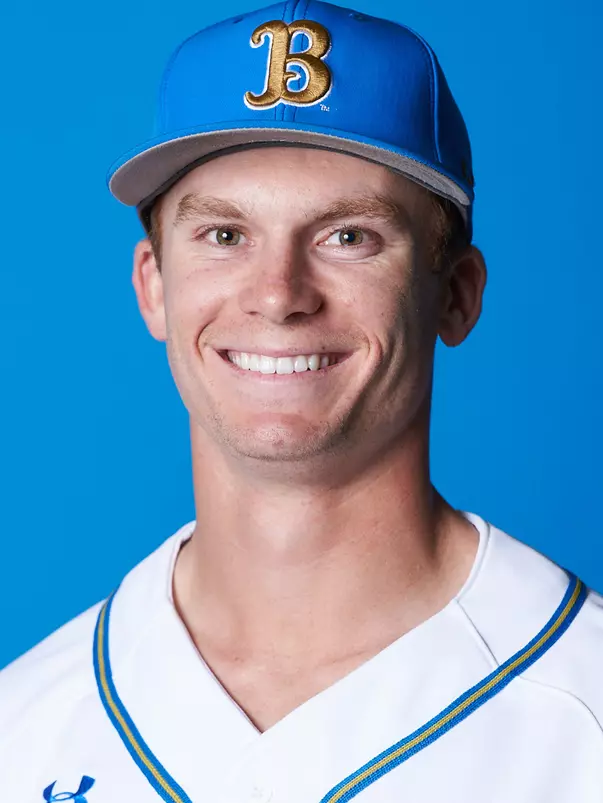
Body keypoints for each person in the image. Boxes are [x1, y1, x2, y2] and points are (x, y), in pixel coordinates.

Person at [1, 2, 602, 801]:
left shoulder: (583, 705)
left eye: (348, 236)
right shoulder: (21, 728)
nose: (279, 294)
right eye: (224, 235)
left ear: (456, 295)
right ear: (153, 285)